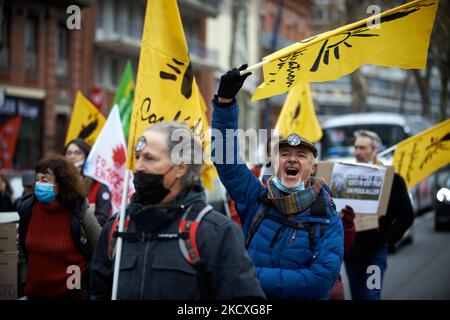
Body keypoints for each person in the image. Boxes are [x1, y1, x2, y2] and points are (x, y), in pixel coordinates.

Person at [90, 122, 266, 300]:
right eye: (137, 157)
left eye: (150, 158)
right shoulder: (117, 228)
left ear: (181, 167)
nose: (139, 166)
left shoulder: (217, 232)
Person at [211, 65, 344, 299]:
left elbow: (319, 281)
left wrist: (247, 275)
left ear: (313, 168)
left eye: (301, 155)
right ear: (274, 162)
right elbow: (225, 161)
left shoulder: (327, 215)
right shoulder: (257, 198)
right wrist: (224, 103)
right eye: (284, 154)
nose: (292, 159)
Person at [16, 156, 101, 300]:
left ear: (62, 184)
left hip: (71, 294)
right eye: (37, 179)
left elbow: (100, 247)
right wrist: (25, 278)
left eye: (45, 180)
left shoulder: (79, 212)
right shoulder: (28, 209)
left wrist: (80, 280)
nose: (39, 184)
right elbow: (22, 248)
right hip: (35, 293)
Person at [344, 130, 414, 300]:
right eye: (356, 147)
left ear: (375, 150)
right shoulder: (345, 176)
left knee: (371, 295)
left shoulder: (393, 180)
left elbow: (407, 215)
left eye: (363, 148)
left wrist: (388, 240)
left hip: (375, 254)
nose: (358, 152)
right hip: (351, 254)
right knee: (358, 296)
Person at [64, 138, 112, 226]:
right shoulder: (59, 182)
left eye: (78, 153)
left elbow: (102, 217)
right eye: (69, 153)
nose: (72, 157)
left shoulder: (99, 184)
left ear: (87, 156)